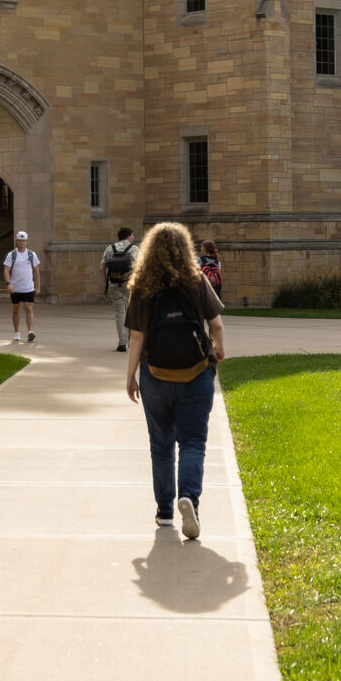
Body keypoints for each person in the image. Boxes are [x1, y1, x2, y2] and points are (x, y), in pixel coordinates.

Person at [124, 222, 225, 540]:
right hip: (196, 374)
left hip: (155, 374)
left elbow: (137, 336)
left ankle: (165, 511)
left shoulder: (142, 286)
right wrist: (218, 349)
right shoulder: (196, 281)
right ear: (185, 249)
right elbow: (217, 324)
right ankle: (189, 498)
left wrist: (130, 375)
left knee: (161, 445)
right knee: (193, 443)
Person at [101, 227, 138, 352]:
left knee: (120, 313)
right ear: (128, 236)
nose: (133, 238)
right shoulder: (134, 249)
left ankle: (122, 342)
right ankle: (131, 341)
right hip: (130, 285)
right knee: (131, 312)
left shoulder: (110, 248)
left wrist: (108, 281)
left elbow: (102, 268)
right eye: (132, 236)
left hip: (114, 285)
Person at [5, 230, 41, 343]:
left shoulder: (31, 254)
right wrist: (8, 283)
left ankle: (30, 331)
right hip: (15, 288)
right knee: (16, 310)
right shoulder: (12, 255)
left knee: (29, 308)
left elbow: (36, 272)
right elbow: (6, 270)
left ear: (27, 242)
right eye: (20, 241)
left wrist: (38, 287)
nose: (21, 243)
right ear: (16, 241)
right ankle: (16, 332)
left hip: (29, 287)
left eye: (24, 241)